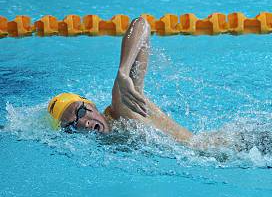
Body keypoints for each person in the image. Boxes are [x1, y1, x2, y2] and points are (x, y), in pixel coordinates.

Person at [47, 17, 203, 145]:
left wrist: (123, 72)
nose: (83, 123)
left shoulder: (123, 106)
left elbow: (141, 24)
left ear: (91, 105)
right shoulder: (110, 141)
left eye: (80, 111)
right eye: (71, 126)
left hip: (214, 149)